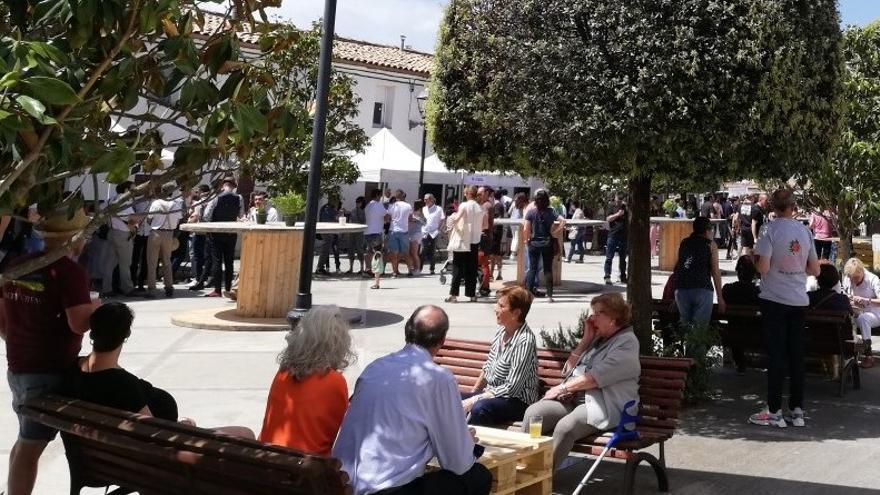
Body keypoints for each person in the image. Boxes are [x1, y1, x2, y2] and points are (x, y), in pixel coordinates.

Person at [332, 305, 492, 495]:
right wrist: (464, 441)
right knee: (478, 477)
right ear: (442, 340)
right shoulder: (438, 378)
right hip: (385, 488)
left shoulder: (375, 367)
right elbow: (458, 462)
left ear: (407, 332)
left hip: (342, 481)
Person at [0, 207, 100, 495]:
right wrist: (98, 308)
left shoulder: (18, 264)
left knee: (24, 440)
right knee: (31, 446)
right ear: (77, 238)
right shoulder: (69, 272)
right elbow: (79, 323)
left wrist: (18, 338)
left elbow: (2, 317)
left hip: (19, 366)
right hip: (48, 371)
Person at [78, 301, 253, 437]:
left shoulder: (77, 369)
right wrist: (181, 430)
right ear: (126, 334)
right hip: (163, 454)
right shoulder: (123, 384)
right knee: (245, 434)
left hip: (117, 453)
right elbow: (152, 436)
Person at [521, 293, 639, 469]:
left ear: (613, 318)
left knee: (566, 427)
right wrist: (585, 341)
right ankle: (526, 466)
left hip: (604, 404)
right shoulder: (598, 340)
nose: (591, 318)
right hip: (574, 399)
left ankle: (542, 478)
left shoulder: (627, 343)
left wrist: (560, 389)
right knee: (534, 414)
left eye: (598, 313)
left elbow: (595, 378)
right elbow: (568, 371)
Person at [749, 189, 820, 428]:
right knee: (796, 356)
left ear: (772, 207)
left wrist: (754, 259)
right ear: (793, 207)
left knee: (777, 356)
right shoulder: (805, 231)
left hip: (774, 299)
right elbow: (815, 270)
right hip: (799, 299)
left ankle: (774, 410)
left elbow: (763, 267)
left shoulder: (769, 230)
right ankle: (797, 410)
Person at [260, 305, 354, 456]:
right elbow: (339, 432)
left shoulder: (282, 373)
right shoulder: (334, 381)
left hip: (268, 460)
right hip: (308, 469)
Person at [462, 286, 538, 426]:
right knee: (453, 399)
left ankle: (478, 448)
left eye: (501, 306)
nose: (495, 309)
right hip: (492, 396)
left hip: (518, 401)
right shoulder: (501, 332)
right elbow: (487, 368)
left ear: (516, 313)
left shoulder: (525, 340)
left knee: (480, 409)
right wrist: (474, 393)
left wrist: (476, 400)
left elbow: (512, 387)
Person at [673, 217, 726, 325]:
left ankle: (686, 342)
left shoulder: (684, 243)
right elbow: (715, 272)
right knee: (699, 331)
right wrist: (720, 298)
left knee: (685, 327)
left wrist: (675, 295)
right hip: (702, 288)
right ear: (707, 231)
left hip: (682, 289)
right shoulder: (710, 245)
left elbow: (678, 268)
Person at [203, 178, 244, 298]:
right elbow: (241, 215)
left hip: (216, 233)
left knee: (217, 261)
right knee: (229, 262)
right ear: (233, 186)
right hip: (231, 233)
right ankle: (228, 288)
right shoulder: (239, 198)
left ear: (223, 186)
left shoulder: (216, 198)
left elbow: (206, 215)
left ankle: (217, 290)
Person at [524, 190, 565, 302]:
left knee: (532, 269)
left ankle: (528, 294)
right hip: (547, 243)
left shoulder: (531, 212)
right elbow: (563, 221)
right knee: (548, 270)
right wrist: (555, 232)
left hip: (534, 243)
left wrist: (527, 240)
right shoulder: (551, 212)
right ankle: (550, 295)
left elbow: (526, 228)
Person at [722, 256, 760, 374]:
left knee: (735, 329)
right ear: (753, 273)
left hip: (732, 332)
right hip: (755, 334)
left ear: (737, 272)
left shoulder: (728, 289)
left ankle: (740, 363)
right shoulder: (758, 292)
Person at [100, 181, 139, 298]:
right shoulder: (124, 202)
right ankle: (127, 288)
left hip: (112, 232)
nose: (134, 191)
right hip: (123, 234)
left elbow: (101, 208)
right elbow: (131, 219)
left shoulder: (110, 200)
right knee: (125, 263)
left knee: (109, 263)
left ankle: (106, 289)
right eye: (133, 189)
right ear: (126, 190)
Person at [146, 183, 183, 299]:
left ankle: (152, 289)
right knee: (167, 261)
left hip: (156, 232)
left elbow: (149, 219)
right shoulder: (176, 204)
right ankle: (169, 287)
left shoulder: (156, 203)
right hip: (169, 233)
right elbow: (178, 221)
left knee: (152, 262)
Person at [842, 257, 880, 368]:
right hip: (855, 312)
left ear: (861, 271)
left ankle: (868, 355)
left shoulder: (873, 279)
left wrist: (865, 300)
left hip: (874, 313)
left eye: (856, 278)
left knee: (864, 319)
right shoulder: (848, 279)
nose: (853, 281)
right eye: (851, 278)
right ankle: (846, 352)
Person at [446, 186, 481, 303]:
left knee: (457, 267)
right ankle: (471, 294)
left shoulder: (464, 205)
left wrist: (452, 219)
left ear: (467, 193)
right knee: (472, 268)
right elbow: (484, 224)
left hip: (463, 239)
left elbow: (457, 218)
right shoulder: (479, 207)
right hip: (475, 240)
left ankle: (454, 294)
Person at [188, 184, 213, 291]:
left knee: (197, 257)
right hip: (209, 231)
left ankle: (198, 278)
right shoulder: (213, 201)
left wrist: (189, 222)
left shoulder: (199, 203)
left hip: (199, 231)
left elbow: (196, 216)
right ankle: (206, 277)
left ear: (200, 192)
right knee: (208, 256)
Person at [386, 189, 413, 277]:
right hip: (404, 231)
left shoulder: (392, 206)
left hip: (393, 230)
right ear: (403, 195)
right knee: (406, 253)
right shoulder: (408, 206)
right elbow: (410, 219)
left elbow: (388, 218)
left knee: (394, 253)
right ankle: (410, 271)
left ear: (396, 196)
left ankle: (394, 272)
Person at [604, 192, 628, 285]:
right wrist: (618, 214)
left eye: (621, 201)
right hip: (613, 235)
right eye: (618, 200)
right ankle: (607, 276)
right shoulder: (611, 206)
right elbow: (608, 218)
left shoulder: (626, 207)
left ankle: (622, 276)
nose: (619, 202)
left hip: (623, 235)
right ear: (615, 198)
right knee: (609, 257)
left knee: (623, 258)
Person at [364, 188, 386, 278]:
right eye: (380, 195)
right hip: (376, 231)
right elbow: (386, 215)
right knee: (377, 252)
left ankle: (367, 269)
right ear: (377, 195)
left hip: (367, 231)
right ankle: (376, 270)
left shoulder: (368, 205)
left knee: (368, 252)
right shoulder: (378, 204)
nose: (381, 197)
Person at [421, 193, 445, 275]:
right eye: (424, 199)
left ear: (431, 200)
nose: (425, 201)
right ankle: (419, 268)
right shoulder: (423, 209)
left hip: (434, 232)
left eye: (426, 199)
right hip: (425, 231)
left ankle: (432, 268)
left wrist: (439, 229)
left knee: (433, 251)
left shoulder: (438, 209)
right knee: (423, 249)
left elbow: (442, 219)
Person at [317, 198, 342, 275]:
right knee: (326, 250)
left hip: (326, 231)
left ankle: (321, 267)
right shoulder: (328, 209)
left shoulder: (325, 208)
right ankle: (320, 268)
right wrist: (340, 214)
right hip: (327, 232)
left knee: (326, 250)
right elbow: (334, 219)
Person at [477, 186, 495, 296]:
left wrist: (482, 231)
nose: (478, 195)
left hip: (484, 237)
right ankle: (484, 286)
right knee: (481, 263)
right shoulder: (483, 205)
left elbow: (487, 223)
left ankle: (485, 287)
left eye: (480, 193)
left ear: (486, 193)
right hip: (484, 237)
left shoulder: (487, 206)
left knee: (483, 263)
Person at [348, 196, 367, 274]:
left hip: (359, 233)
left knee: (359, 250)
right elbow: (350, 220)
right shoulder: (352, 211)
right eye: (357, 202)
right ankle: (351, 268)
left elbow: (363, 222)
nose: (357, 204)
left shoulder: (363, 212)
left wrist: (359, 213)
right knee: (350, 250)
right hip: (352, 232)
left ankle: (362, 267)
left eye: (359, 202)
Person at [408, 200, 426, 275]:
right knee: (411, 253)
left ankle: (417, 269)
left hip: (416, 234)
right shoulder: (415, 213)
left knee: (414, 253)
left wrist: (414, 220)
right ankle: (413, 268)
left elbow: (423, 222)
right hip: (411, 233)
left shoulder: (420, 213)